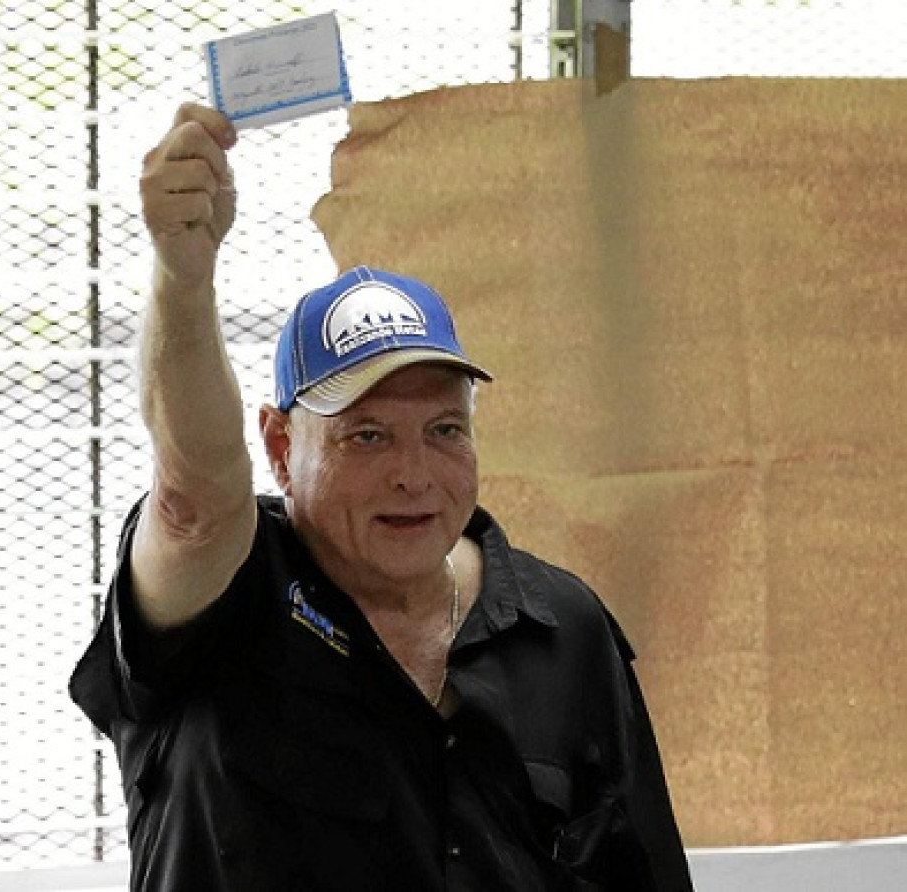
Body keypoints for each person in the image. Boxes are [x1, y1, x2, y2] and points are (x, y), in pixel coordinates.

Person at [70, 103, 694, 892]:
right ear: (279, 448)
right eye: (365, 436)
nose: (413, 474)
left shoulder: (561, 630)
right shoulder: (228, 596)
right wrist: (182, 275)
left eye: (442, 430)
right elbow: (195, 496)